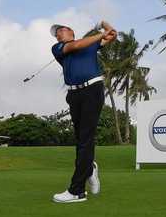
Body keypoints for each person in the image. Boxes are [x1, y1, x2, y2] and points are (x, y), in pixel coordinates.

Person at [49, 21, 117, 203]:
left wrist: (105, 25)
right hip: (73, 94)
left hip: (92, 90)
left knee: (86, 138)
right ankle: (90, 168)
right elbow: (78, 45)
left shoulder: (91, 44)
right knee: (81, 140)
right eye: (56, 34)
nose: (57, 35)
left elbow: (112, 35)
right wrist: (101, 34)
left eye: (60, 31)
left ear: (71, 31)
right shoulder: (58, 48)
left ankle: (77, 190)